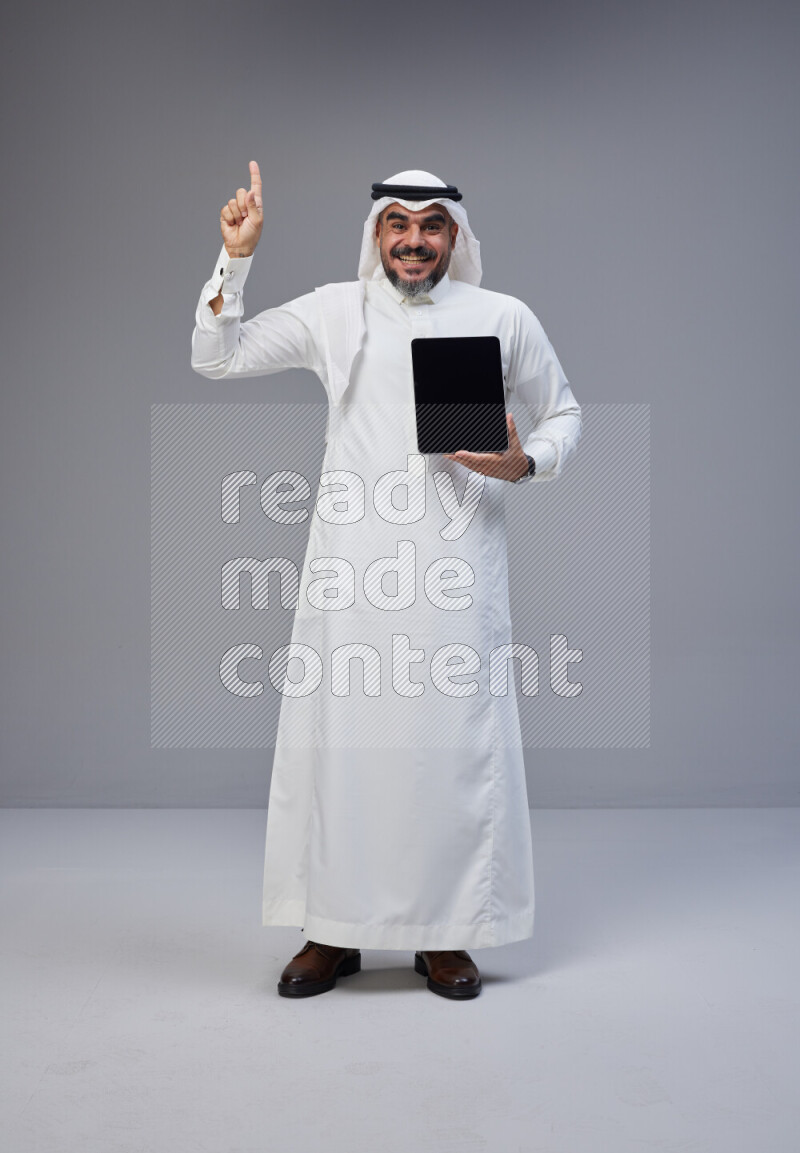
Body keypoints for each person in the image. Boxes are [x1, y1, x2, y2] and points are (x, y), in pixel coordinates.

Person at [191, 163, 581, 1000]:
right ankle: (333, 930)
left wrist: (524, 462)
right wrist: (237, 260)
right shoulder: (336, 309)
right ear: (376, 235)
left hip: (454, 570)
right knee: (343, 749)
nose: (413, 238)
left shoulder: (500, 316)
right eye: (397, 223)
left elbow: (566, 416)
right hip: (351, 571)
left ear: (455, 236)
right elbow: (214, 358)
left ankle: (445, 936)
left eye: (431, 224)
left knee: (446, 752)